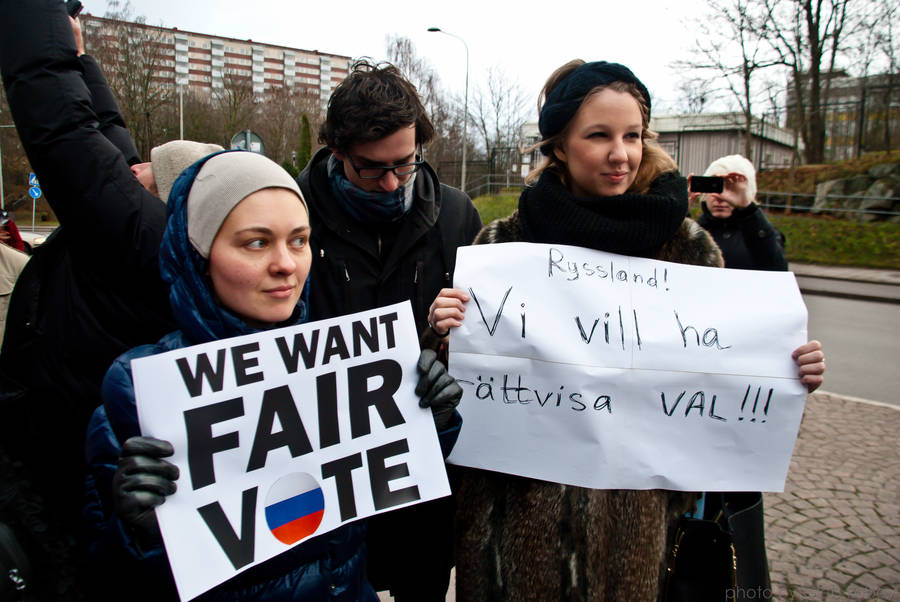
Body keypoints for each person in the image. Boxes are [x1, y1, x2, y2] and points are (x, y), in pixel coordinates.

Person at [427, 60, 826, 600]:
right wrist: (444, 338)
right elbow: (453, 397)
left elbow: (726, 392)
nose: (621, 153)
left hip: (639, 553)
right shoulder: (503, 247)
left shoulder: (689, 251)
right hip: (512, 547)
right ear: (559, 146)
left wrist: (785, 374)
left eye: (633, 135)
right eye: (599, 136)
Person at [83, 150, 463, 601]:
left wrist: (426, 425)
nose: (286, 264)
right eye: (257, 242)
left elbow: (375, 517)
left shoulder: (340, 365)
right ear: (199, 255)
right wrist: (136, 533)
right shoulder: (138, 395)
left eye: (299, 240)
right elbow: (105, 581)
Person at [0, 1, 222, 596]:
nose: (134, 164)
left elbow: (63, 130)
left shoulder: (138, 237)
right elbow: (107, 136)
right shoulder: (161, 232)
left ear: (169, 200)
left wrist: (35, 18)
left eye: (150, 169)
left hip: (64, 453)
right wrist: (83, 57)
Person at [297, 59, 482, 600]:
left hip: (424, 474)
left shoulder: (454, 213)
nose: (392, 182)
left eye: (406, 164)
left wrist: (446, 342)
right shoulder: (296, 212)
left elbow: (484, 345)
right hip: (325, 474)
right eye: (371, 168)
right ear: (336, 152)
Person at [691, 154, 788, 271]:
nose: (720, 197)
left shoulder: (763, 234)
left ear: (748, 194)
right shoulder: (695, 231)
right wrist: (679, 216)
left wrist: (748, 211)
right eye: (714, 186)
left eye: (731, 188)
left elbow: (776, 270)